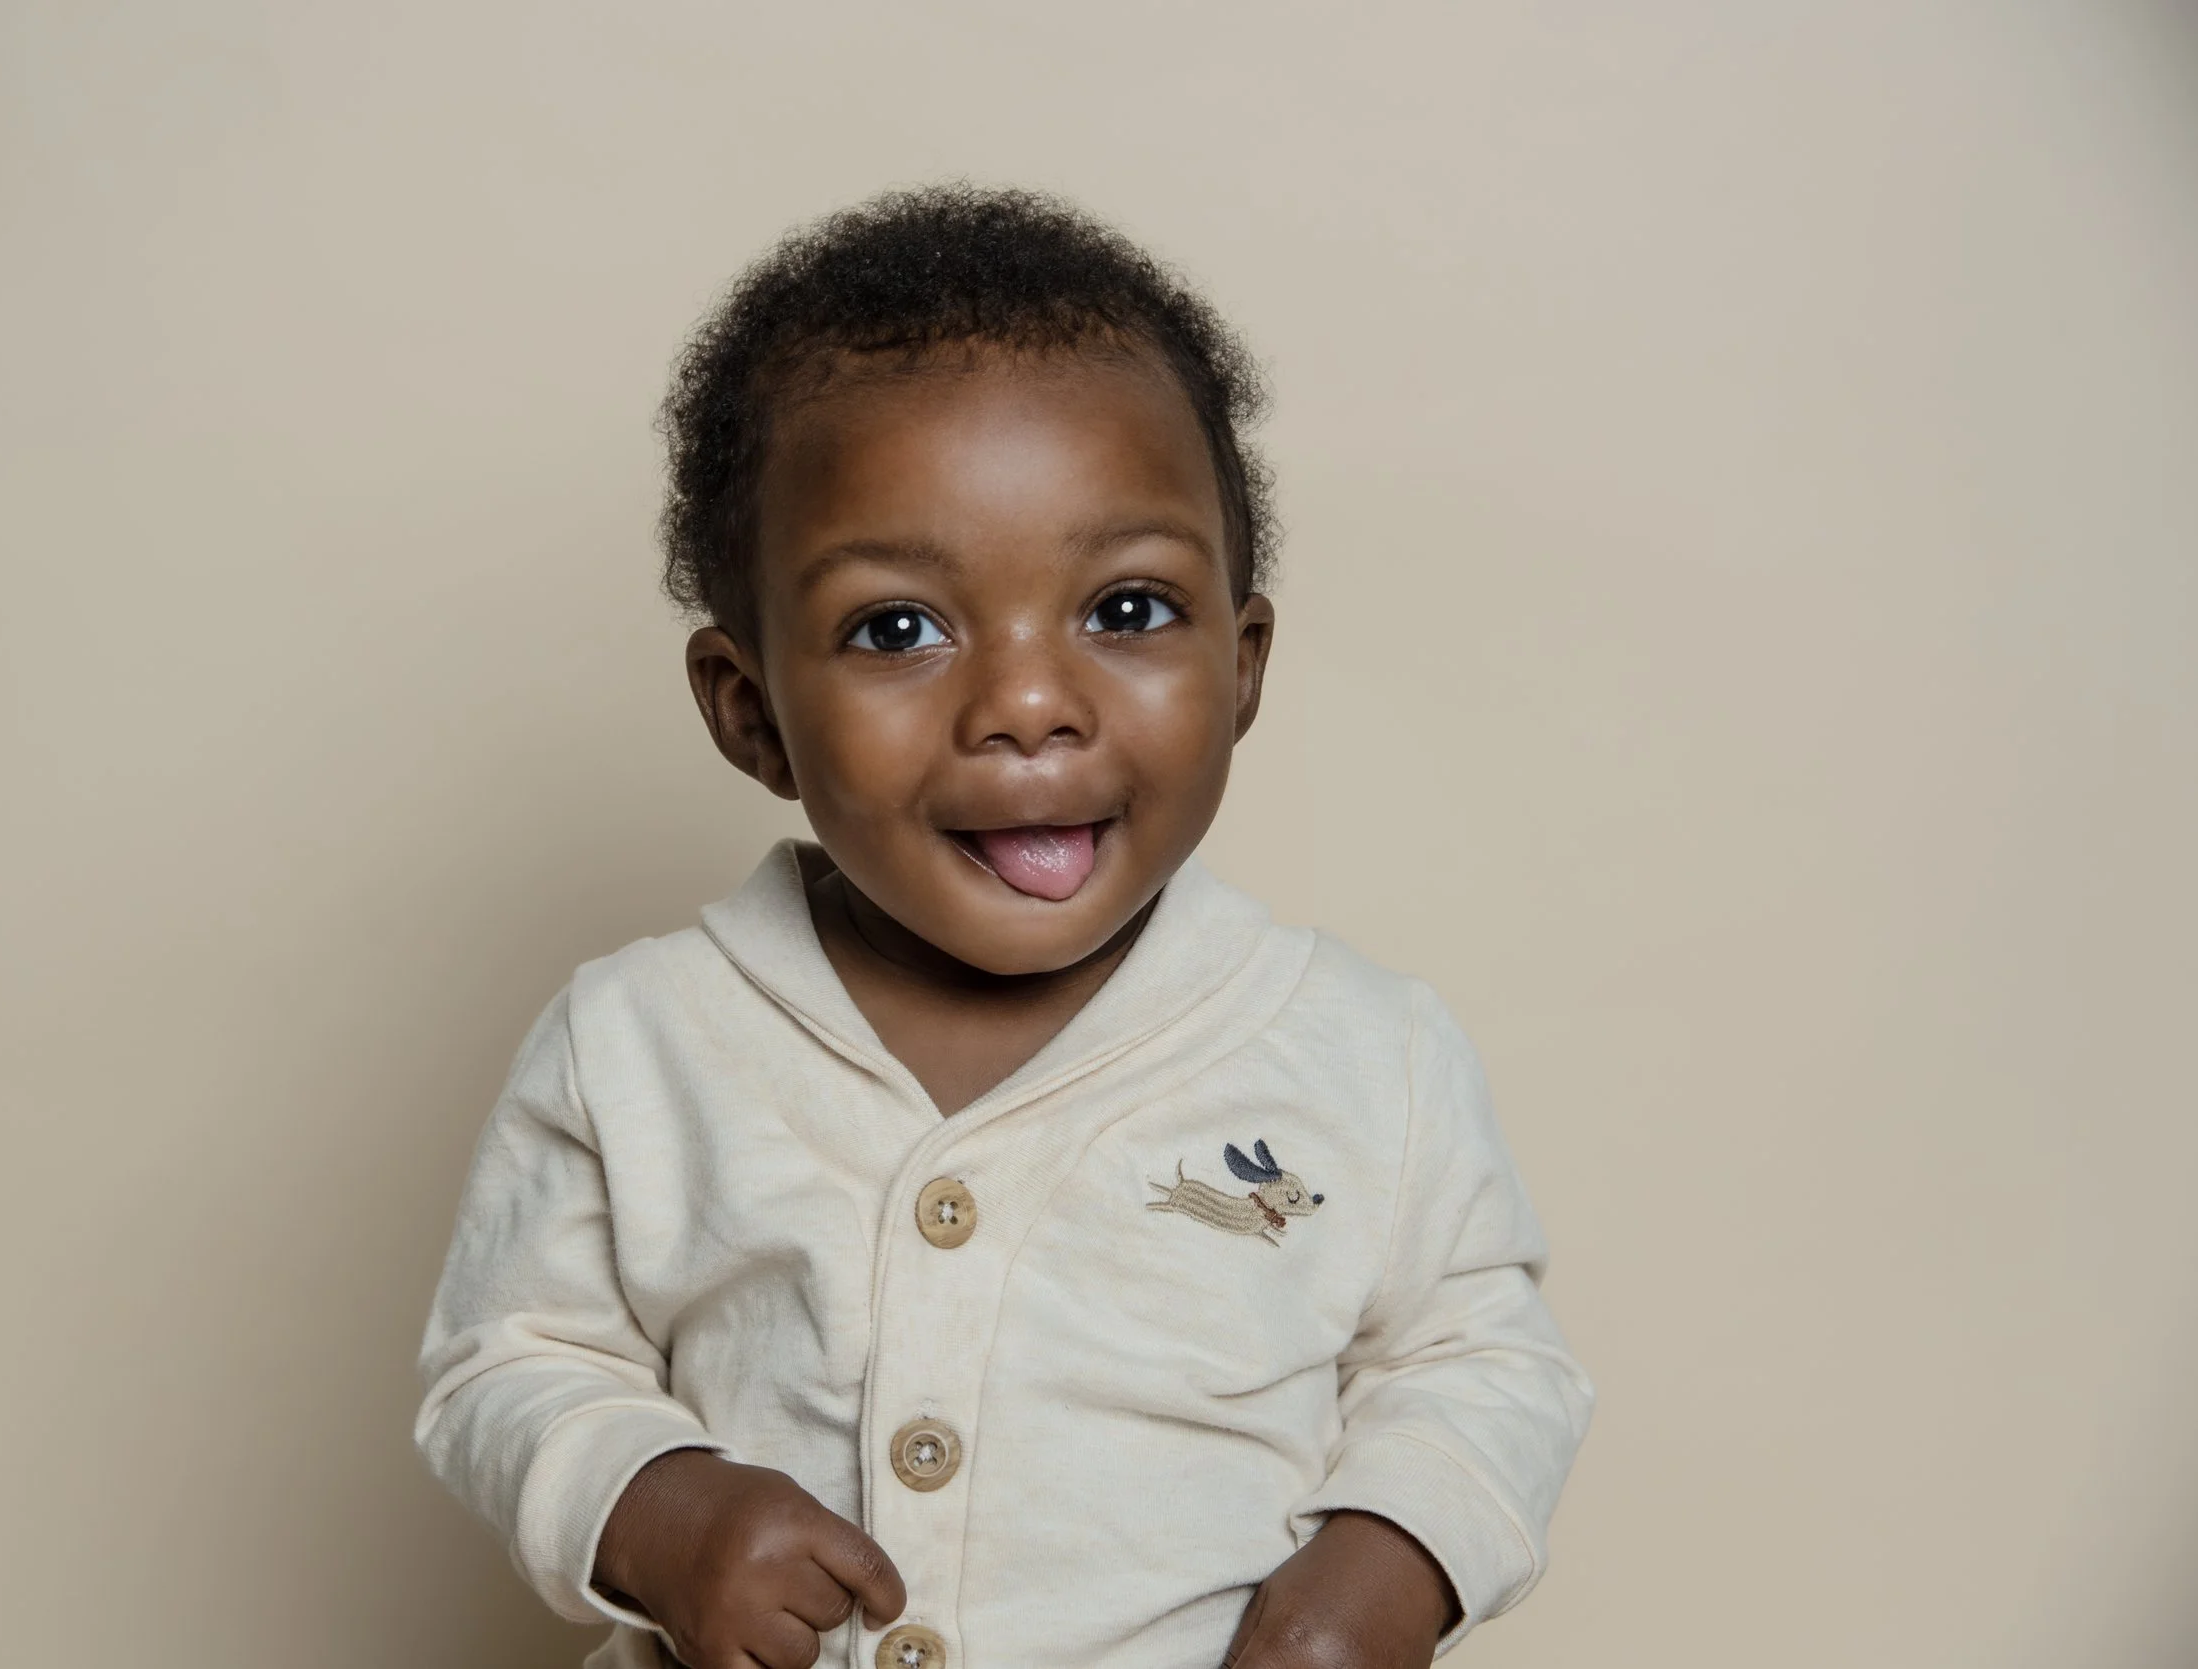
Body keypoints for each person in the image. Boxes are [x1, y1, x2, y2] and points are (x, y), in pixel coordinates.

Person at [415, 185, 1592, 1669]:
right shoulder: (639, 1045)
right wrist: (656, 1507)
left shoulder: (1367, 1056)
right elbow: (508, 1362)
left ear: (1243, 666)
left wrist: (1389, 1564)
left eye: (1128, 609)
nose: (1030, 705)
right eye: (897, 628)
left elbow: (1480, 1364)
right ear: (751, 712)